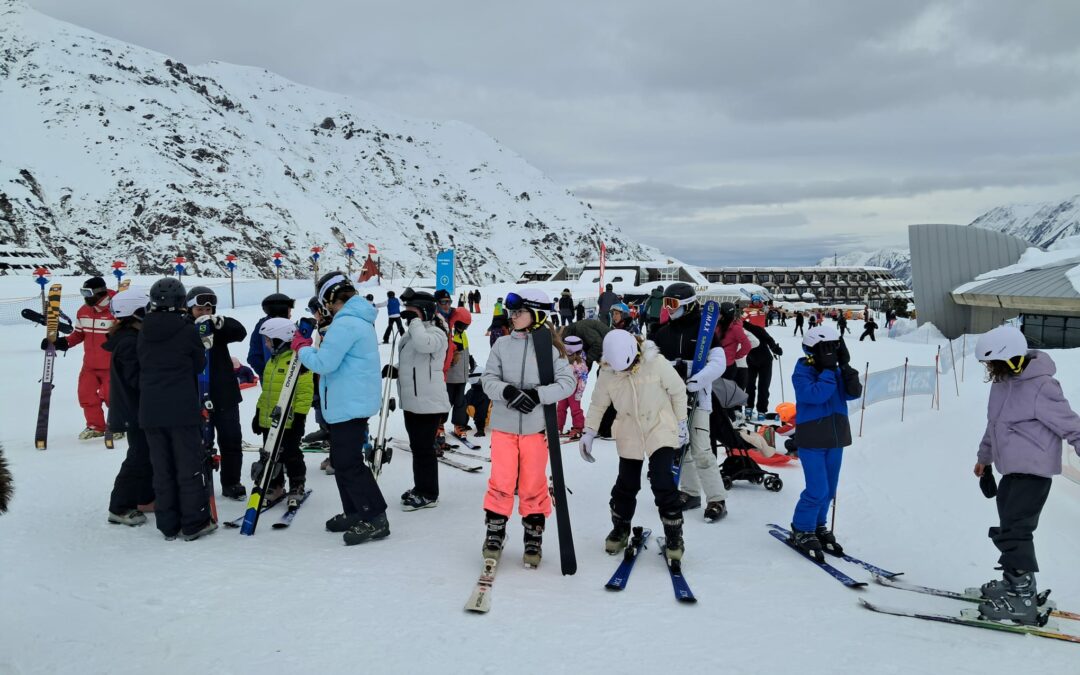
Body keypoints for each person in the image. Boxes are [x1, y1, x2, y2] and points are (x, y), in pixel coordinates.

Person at [971, 326, 1080, 625]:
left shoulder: (1042, 386)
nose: (989, 369)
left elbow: (1072, 426)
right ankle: (1017, 583)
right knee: (1009, 527)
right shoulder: (1002, 384)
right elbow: (993, 425)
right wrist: (985, 458)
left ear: (1010, 358)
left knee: (1016, 532)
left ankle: (1021, 599)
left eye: (992, 363)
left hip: (1034, 472)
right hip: (1011, 472)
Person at [480, 289, 575, 567]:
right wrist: (507, 391)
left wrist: (537, 395)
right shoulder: (502, 345)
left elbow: (566, 384)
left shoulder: (552, 350)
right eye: (513, 311)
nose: (513, 316)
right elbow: (488, 379)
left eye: (519, 312)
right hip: (504, 427)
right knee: (501, 480)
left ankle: (533, 534)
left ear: (537, 315)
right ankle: (495, 531)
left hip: (536, 429)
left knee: (533, 482)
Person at [293, 272, 388, 545]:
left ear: (330, 299)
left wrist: (301, 347)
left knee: (348, 463)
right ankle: (356, 511)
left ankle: (375, 517)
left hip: (348, 403)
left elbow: (324, 363)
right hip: (349, 401)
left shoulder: (346, 324)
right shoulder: (355, 320)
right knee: (343, 461)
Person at [579, 330, 688, 561]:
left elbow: (678, 391)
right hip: (629, 428)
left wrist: (681, 422)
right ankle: (620, 528)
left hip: (658, 424)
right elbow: (598, 405)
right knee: (626, 484)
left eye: (627, 367)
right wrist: (589, 431)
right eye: (620, 369)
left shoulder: (656, 363)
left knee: (662, 480)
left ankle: (674, 534)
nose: (624, 372)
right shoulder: (607, 373)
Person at [138, 278, 215, 541]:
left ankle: (168, 524)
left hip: (150, 409)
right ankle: (194, 522)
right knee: (188, 465)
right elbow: (198, 363)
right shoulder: (187, 330)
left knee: (161, 467)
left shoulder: (143, 329)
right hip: (181, 407)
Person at [650, 282, 729, 522]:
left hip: (698, 398)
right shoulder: (662, 332)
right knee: (680, 449)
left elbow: (719, 361)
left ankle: (716, 499)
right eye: (665, 303)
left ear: (687, 304)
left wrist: (697, 379)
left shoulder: (702, 330)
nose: (668, 308)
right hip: (671, 399)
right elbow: (651, 362)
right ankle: (691, 492)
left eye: (672, 303)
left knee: (702, 449)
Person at [788, 325, 862, 562]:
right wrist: (829, 370)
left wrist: (846, 368)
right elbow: (816, 394)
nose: (831, 353)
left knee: (829, 490)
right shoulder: (802, 372)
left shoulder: (836, 371)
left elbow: (853, 393)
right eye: (826, 349)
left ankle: (818, 525)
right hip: (812, 438)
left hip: (836, 437)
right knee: (816, 489)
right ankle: (802, 528)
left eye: (835, 348)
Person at [186, 286, 249, 501]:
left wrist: (220, 323)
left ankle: (232, 482)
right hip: (196, 395)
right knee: (199, 443)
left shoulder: (216, 327)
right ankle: (199, 482)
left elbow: (240, 332)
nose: (205, 312)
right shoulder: (184, 328)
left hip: (224, 395)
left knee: (231, 440)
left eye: (209, 308)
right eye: (199, 309)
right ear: (189, 307)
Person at [390, 288, 450, 510]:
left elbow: (424, 346)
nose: (407, 316)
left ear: (423, 311)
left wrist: (415, 321)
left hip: (429, 402)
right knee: (418, 447)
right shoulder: (412, 333)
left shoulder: (436, 333)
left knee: (424, 448)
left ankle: (429, 493)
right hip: (412, 402)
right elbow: (413, 362)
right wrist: (395, 369)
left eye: (411, 311)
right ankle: (420, 487)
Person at [40, 276, 116, 439]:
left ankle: (119, 425)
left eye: (88, 293)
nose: (85, 296)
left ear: (100, 292)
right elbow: (79, 334)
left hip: (112, 365)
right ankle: (96, 426)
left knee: (113, 397)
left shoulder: (115, 310)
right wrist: (63, 343)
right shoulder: (83, 311)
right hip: (89, 365)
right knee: (85, 395)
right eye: (82, 292)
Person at [105, 288, 155, 526]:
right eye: (147, 310)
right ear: (135, 313)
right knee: (138, 456)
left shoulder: (133, 337)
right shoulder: (128, 342)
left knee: (147, 454)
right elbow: (137, 379)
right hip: (133, 410)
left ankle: (143, 497)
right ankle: (120, 506)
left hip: (138, 408)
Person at [252, 318, 313, 506]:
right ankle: (276, 485)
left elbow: (305, 391)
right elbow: (267, 391)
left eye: (269, 340)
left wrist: (300, 417)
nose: (266, 344)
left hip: (290, 420)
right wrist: (258, 412)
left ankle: (297, 483)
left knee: (291, 454)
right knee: (270, 454)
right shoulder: (272, 361)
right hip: (269, 419)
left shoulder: (297, 361)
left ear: (281, 339)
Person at [248, 293, 294, 388]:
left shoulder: (287, 326)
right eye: (289, 311)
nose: (290, 315)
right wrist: (267, 373)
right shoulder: (264, 328)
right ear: (281, 310)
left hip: (290, 378)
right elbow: (253, 357)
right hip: (273, 381)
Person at [743, 319, 783, 420]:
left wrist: (775, 349)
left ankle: (761, 410)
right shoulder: (738, 331)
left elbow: (769, 339)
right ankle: (748, 407)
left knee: (763, 385)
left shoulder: (756, 329)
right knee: (749, 385)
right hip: (751, 360)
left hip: (765, 361)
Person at [446, 307, 474, 437]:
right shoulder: (448, 333)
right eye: (461, 325)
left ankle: (458, 424)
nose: (463, 328)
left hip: (462, 376)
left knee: (460, 402)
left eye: (466, 326)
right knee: (447, 401)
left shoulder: (463, 334)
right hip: (450, 377)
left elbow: (465, 350)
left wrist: (471, 359)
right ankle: (439, 424)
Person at [557, 335, 589, 440]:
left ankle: (578, 427)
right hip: (564, 388)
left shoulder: (580, 363)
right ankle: (558, 427)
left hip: (574, 389)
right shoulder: (562, 359)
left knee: (575, 409)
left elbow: (583, 378)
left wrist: (579, 391)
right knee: (560, 408)